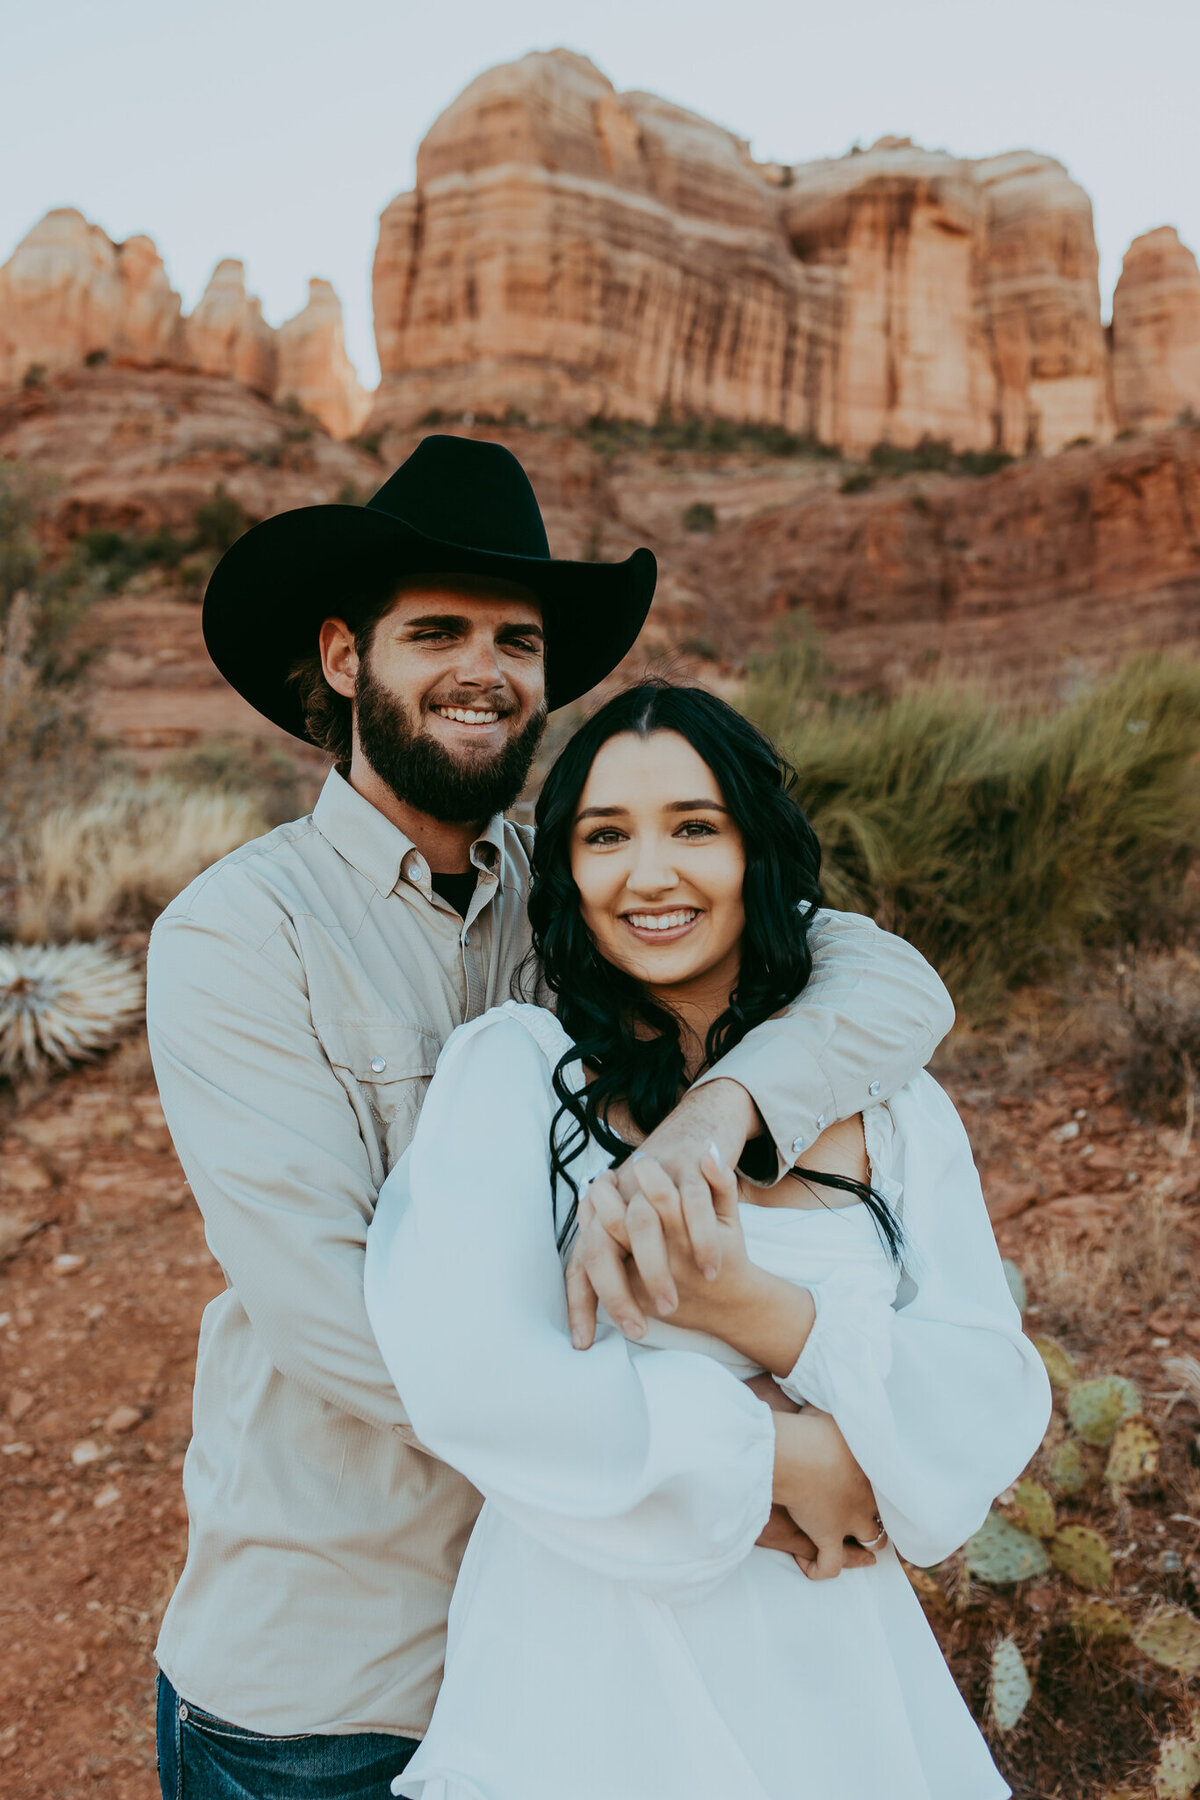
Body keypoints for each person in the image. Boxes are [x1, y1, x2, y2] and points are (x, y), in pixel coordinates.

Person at [147, 435, 958, 1799]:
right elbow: (345, 1321)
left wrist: (722, 1111)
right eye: (440, 632)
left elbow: (884, 980)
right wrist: (757, 1463)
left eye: (517, 642)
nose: (486, 670)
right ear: (346, 659)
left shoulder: (580, 893)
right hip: (347, 1676)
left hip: (584, 1654)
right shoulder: (239, 935)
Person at [364, 682, 1052, 1800]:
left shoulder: (895, 1109)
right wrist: (775, 1458)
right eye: (604, 837)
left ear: (758, 848)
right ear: (569, 873)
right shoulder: (516, 1075)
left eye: (695, 826)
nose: (650, 875)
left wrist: (753, 1311)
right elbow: (472, 1380)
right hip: (586, 1677)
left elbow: (988, 1391)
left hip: (837, 1680)